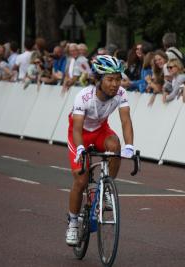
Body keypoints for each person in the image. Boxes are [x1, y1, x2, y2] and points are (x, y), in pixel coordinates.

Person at [65, 55, 134, 246]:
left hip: (101, 131)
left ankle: (105, 189)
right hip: (79, 135)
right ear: (99, 79)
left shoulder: (121, 93)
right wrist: (80, 148)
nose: (115, 84)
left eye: (118, 79)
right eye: (110, 79)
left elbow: (126, 121)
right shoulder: (84, 96)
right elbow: (77, 128)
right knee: (81, 179)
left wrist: (129, 145)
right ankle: (72, 222)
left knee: (115, 145)